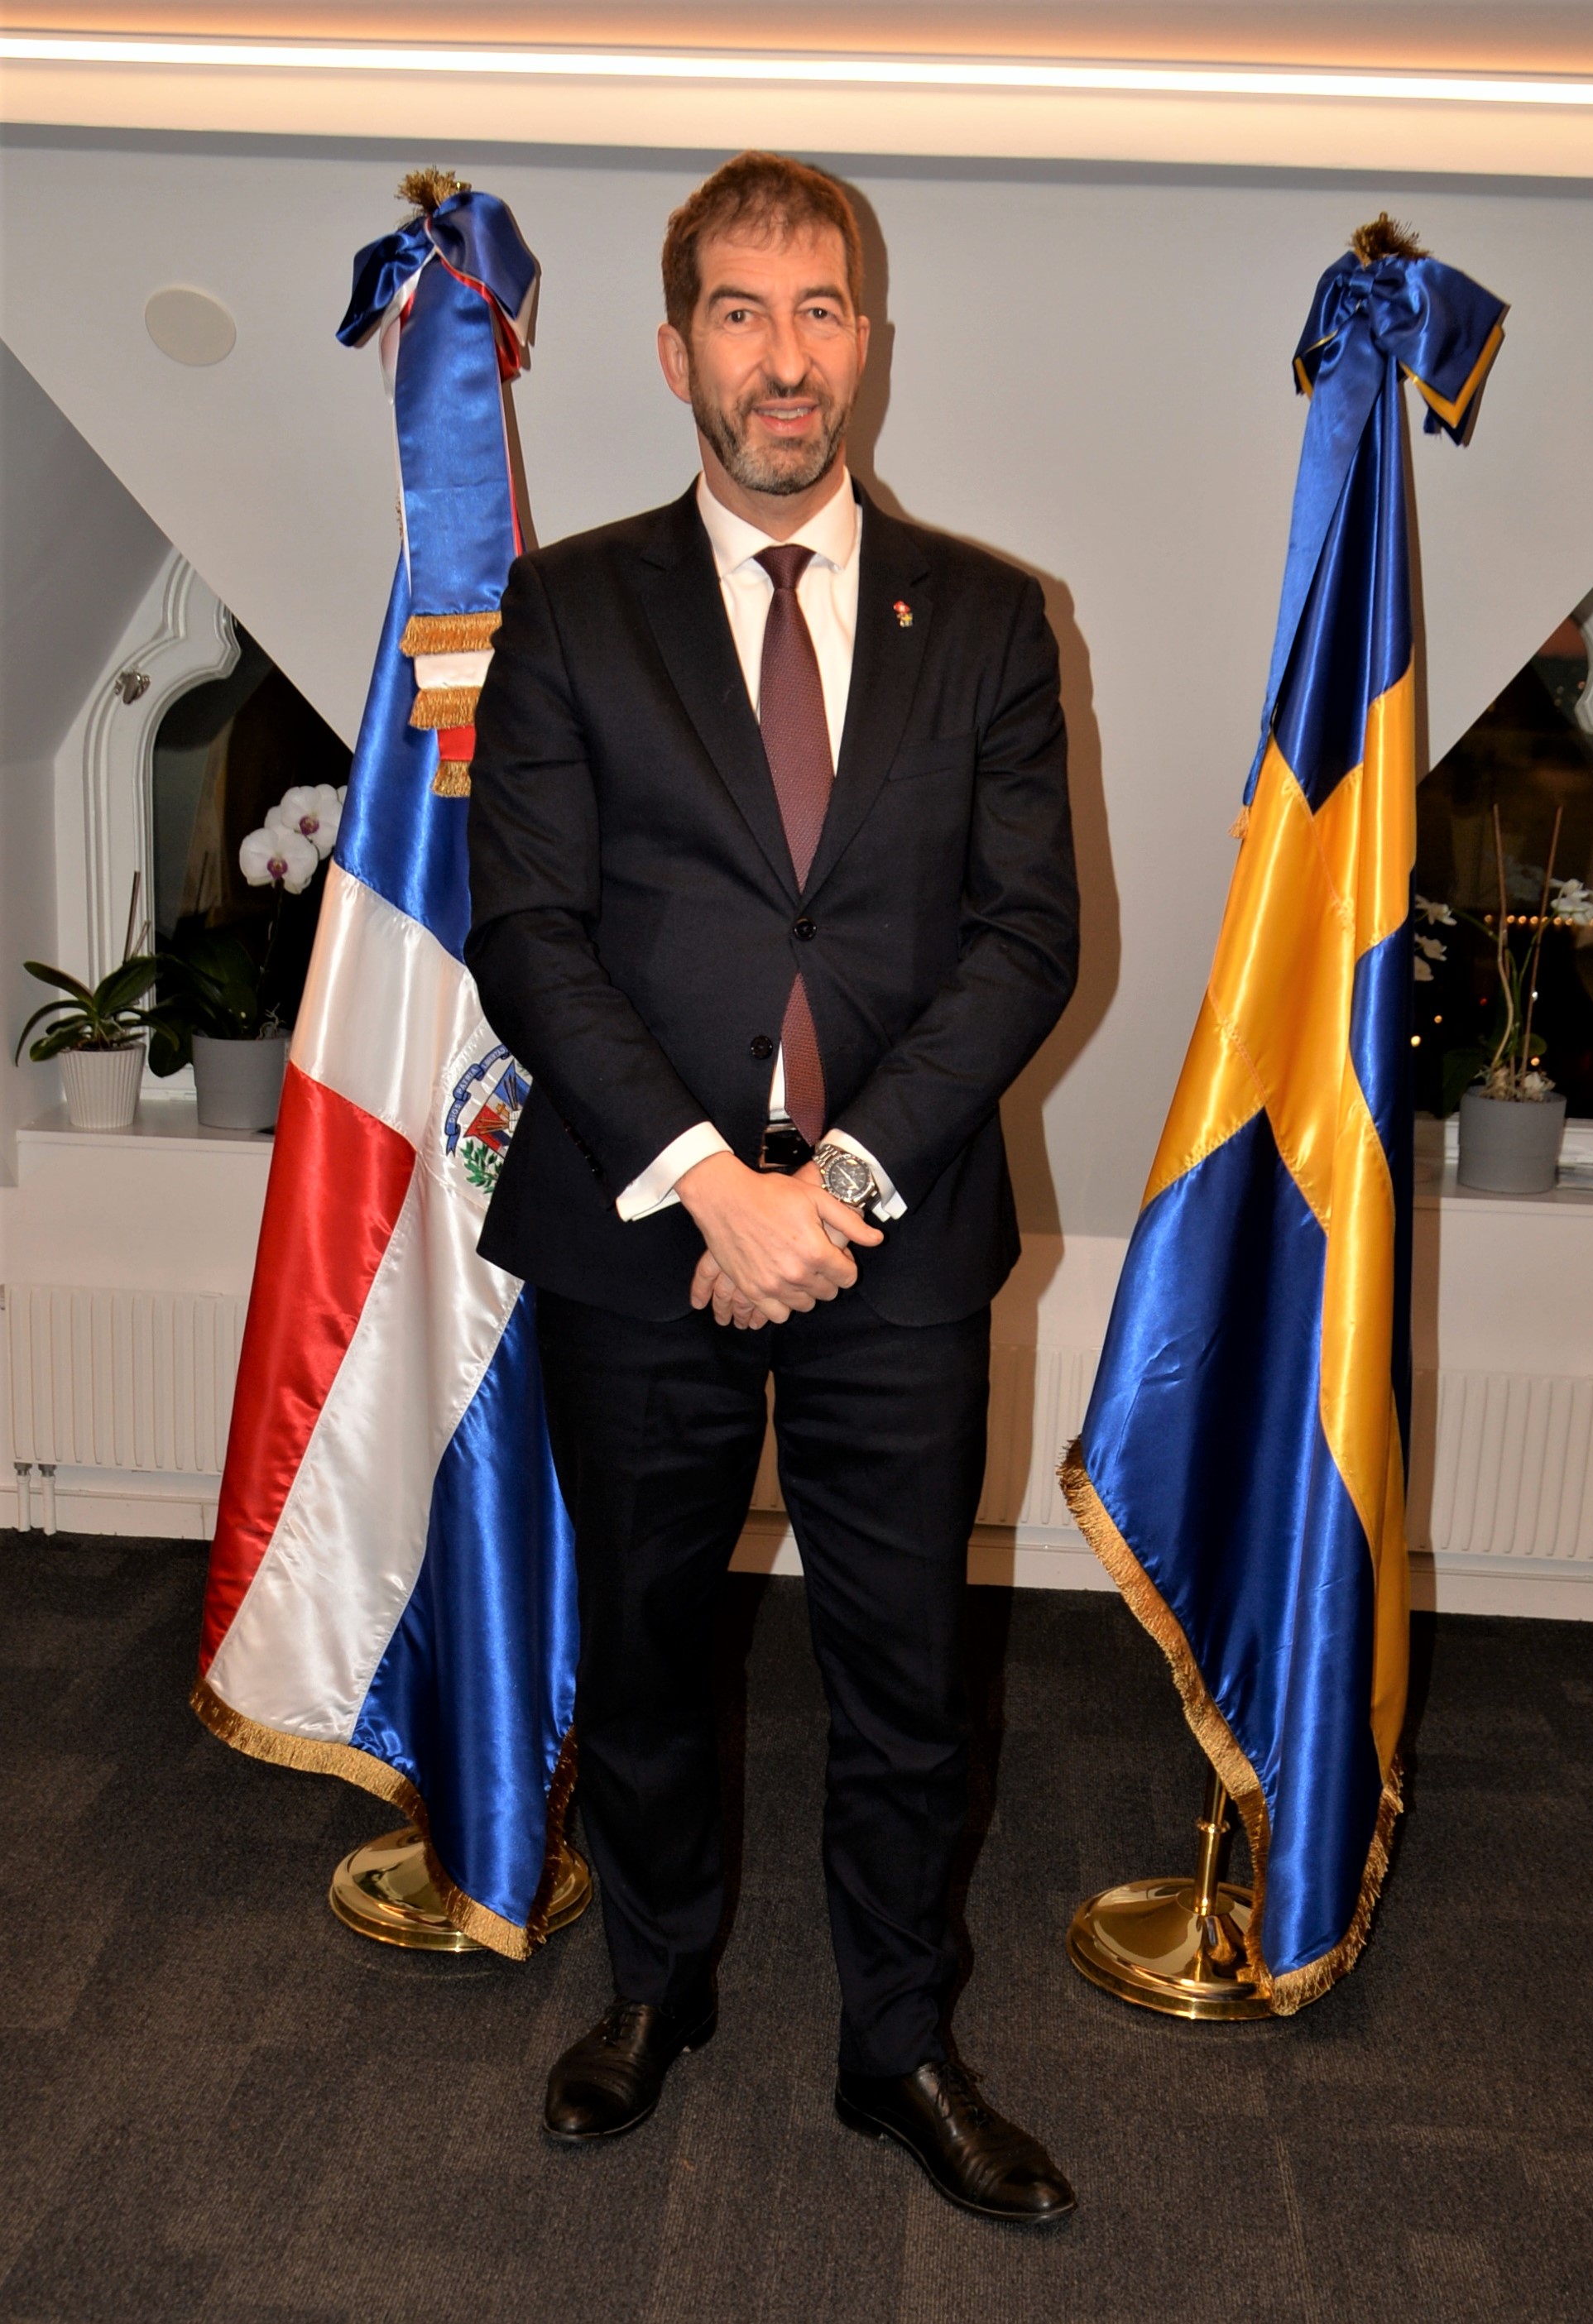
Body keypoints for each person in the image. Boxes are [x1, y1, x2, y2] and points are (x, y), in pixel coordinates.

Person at [466, 151, 1080, 2225]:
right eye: (742, 312)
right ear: (676, 353)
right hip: (636, 1235)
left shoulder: (986, 617)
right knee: (646, 1645)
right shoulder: (568, 608)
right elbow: (529, 930)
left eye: (819, 310)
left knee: (905, 1667)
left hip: (893, 1242)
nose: (785, 356)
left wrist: (835, 1183)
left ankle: (898, 2041)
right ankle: (655, 1985)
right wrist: (713, 1185)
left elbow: (1024, 939)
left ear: (867, 344)